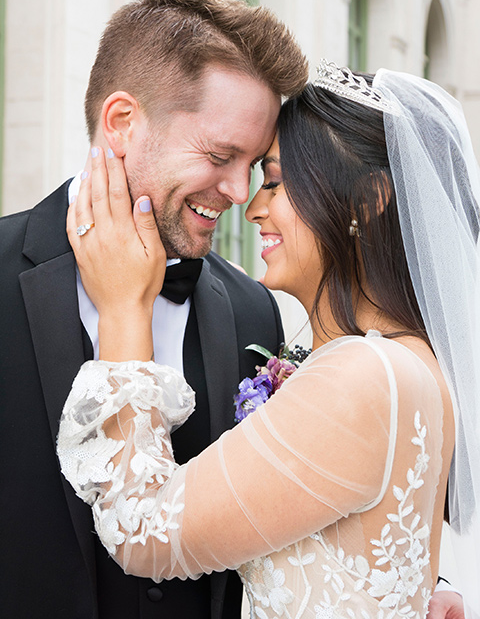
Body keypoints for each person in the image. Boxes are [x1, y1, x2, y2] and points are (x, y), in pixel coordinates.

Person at [57, 62, 480, 618]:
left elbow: (144, 531)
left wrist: (123, 309)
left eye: (275, 181)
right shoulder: (414, 359)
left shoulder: (364, 375)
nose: (252, 206)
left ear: (368, 198)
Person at [0, 0, 309, 619]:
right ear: (121, 123)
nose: (238, 193)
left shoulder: (254, 310)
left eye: (253, 165)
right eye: (221, 156)